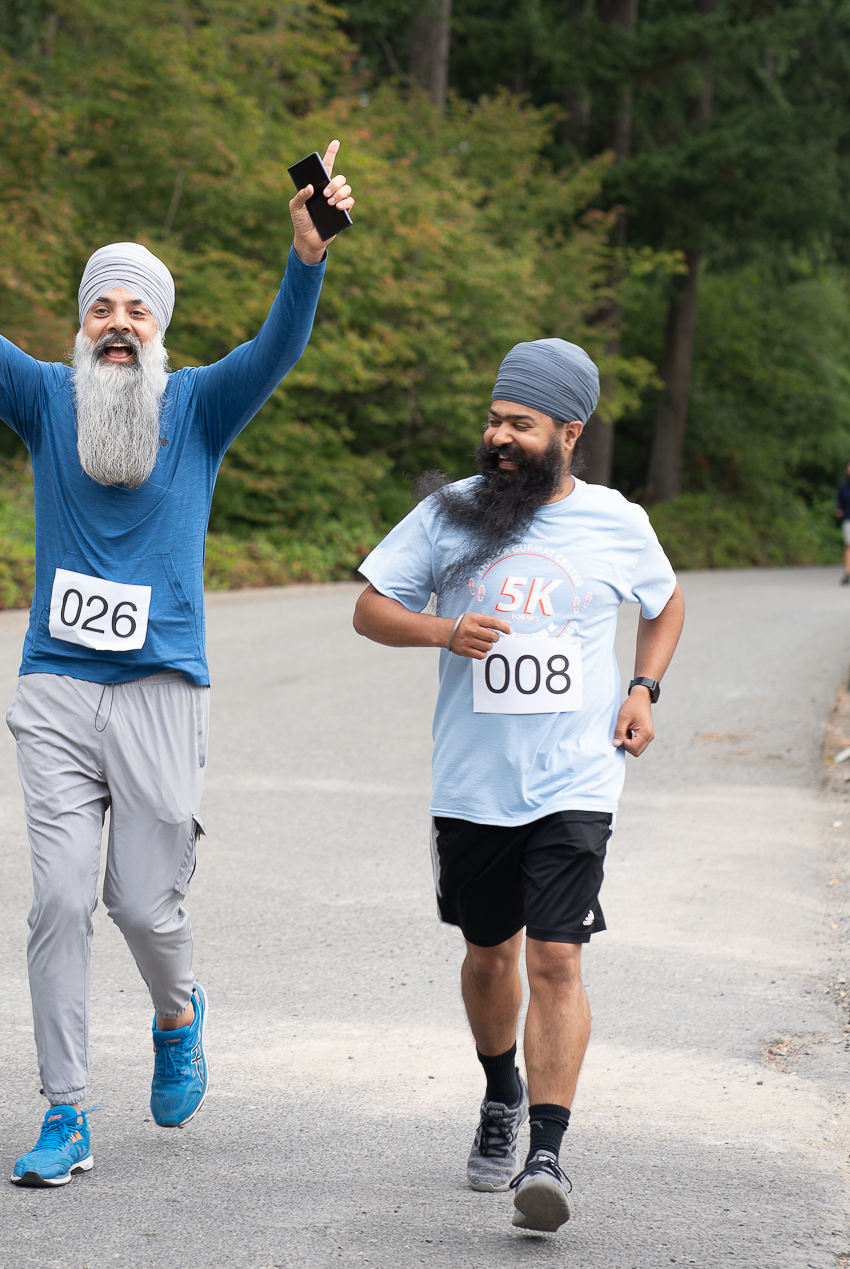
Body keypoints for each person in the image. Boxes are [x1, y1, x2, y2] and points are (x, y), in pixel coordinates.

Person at [0, 129, 356, 1186]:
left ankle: (176, 1010)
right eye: (100, 307)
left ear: (159, 329)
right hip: (56, 688)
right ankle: (64, 1111)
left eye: (135, 309)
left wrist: (306, 257)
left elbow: (278, 347)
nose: (117, 324)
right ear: (80, 326)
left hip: (161, 688)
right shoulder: (43, 399)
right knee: (61, 901)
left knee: (142, 905)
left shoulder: (199, 406)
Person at [352, 338, 685, 1232]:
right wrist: (440, 631)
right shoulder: (451, 513)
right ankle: (500, 1090)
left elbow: (664, 602)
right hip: (471, 783)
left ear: (568, 433)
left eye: (520, 424)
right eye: (494, 419)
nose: (498, 436)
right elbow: (370, 606)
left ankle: (547, 1152)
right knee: (490, 954)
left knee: (556, 956)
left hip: (577, 777)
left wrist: (643, 689)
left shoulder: (617, 520)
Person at [834, 461, 850, 584]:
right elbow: (838, 499)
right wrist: (838, 509)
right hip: (848, 519)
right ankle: (847, 572)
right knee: (848, 545)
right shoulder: (843, 486)